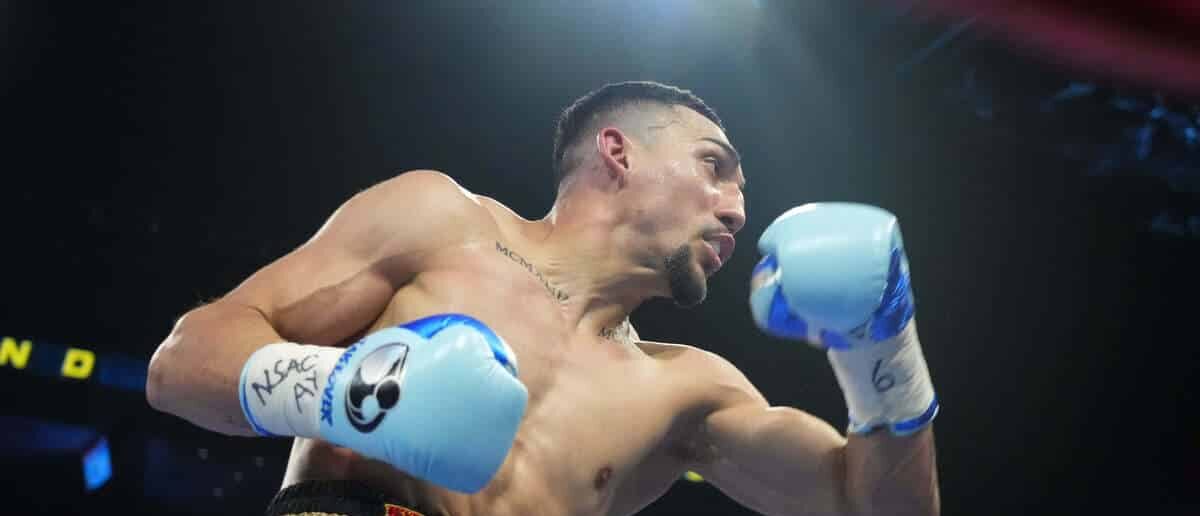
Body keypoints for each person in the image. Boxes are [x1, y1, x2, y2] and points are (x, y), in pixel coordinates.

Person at [146, 81, 940, 516]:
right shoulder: (439, 222)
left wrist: (885, 348)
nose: (736, 209)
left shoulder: (688, 389)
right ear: (618, 151)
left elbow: (874, 510)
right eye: (714, 166)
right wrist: (347, 394)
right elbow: (182, 362)